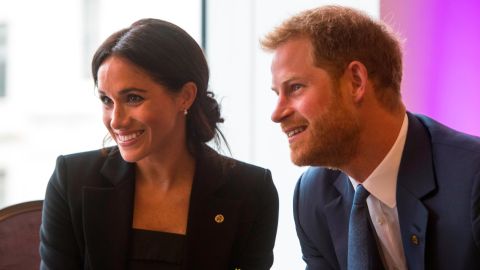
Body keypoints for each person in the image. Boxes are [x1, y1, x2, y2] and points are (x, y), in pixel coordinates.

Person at [40, 18, 279, 270]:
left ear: (185, 96)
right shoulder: (71, 180)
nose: (116, 121)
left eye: (133, 98)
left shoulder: (251, 190)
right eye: (106, 100)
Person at [261, 5, 480, 270]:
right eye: (277, 94)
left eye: (295, 88)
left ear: (355, 81)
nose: (277, 113)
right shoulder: (313, 196)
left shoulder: (472, 179)